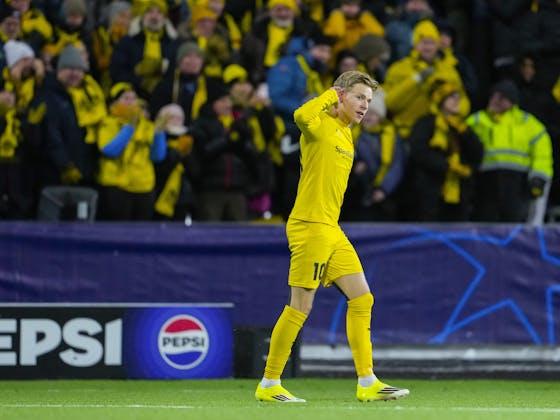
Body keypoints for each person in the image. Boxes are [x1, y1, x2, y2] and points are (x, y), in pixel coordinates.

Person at [255, 71, 409, 403]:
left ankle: (367, 381)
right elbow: (300, 115)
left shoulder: (346, 133)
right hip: (310, 227)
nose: (365, 105)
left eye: (368, 100)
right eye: (359, 97)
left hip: (331, 228)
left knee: (362, 298)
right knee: (300, 306)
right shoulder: (320, 123)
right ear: (341, 95)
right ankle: (269, 383)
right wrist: (330, 95)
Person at [467, 79, 553, 222]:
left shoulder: (528, 123)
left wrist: (538, 178)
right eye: (493, 96)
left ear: (512, 101)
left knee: (514, 224)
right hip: (485, 183)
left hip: (517, 184)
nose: (495, 100)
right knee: (485, 224)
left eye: (501, 97)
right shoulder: (476, 121)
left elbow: (542, 154)